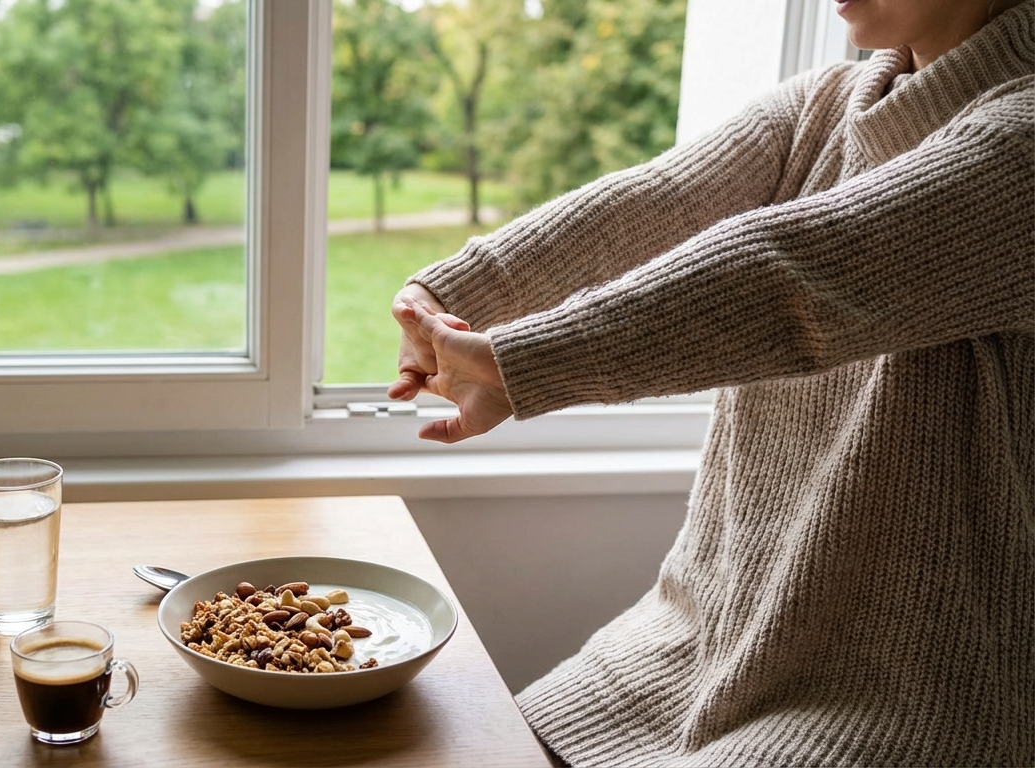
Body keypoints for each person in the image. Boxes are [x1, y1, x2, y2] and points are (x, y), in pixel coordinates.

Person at [389, 0, 1034, 764]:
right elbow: (650, 203)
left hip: (908, 700)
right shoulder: (826, 103)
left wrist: (521, 364)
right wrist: (451, 295)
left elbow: (792, 275)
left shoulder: (1023, 139)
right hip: (686, 642)